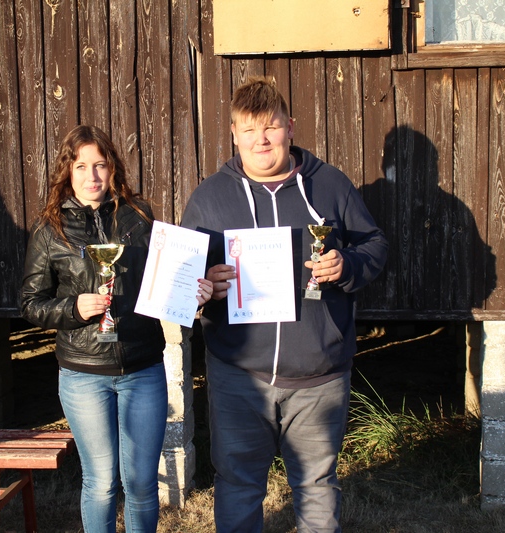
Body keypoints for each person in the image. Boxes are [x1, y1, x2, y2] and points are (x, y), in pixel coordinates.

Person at [181, 77, 388, 532]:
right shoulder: (210, 198)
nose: (261, 140)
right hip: (239, 376)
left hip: (318, 376)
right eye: (248, 130)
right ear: (234, 134)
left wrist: (346, 264)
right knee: (238, 484)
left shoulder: (330, 185)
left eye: (270, 127)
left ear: (290, 127)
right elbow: (184, 280)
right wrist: (206, 286)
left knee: (316, 485)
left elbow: (374, 245)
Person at [21, 125, 212, 533]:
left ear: (112, 169)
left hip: (142, 368)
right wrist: (73, 308)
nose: (92, 176)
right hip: (83, 373)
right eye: (81, 166)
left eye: (100, 165)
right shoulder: (50, 229)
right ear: (67, 172)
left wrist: (190, 292)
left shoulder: (139, 217)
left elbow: (164, 280)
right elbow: (30, 303)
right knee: (101, 482)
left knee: (141, 483)